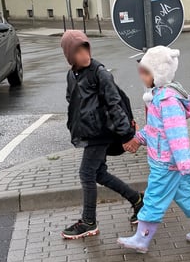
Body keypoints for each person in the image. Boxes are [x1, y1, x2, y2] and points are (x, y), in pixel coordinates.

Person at [117, 47, 190, 253]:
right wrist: (139, 138)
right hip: (170, 161)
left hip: (166, 163)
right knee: (185, 193)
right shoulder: (159, 96)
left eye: (145, 72)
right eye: (141, 71)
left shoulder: (167, 100)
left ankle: (141, 240)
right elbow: (155, 130)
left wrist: (184, 161)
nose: (141, 77)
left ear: (158, 74)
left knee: (153, 198)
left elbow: (177, 134)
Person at [59, 30, 143, 240]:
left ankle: (89, 221)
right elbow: (73, 102)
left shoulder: (99, 72)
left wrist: (127, 135)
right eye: (78, 51)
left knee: (86, 173)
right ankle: (137, 200)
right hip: (89, 132)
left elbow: (114, 104)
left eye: (86, 48)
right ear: (70, 55)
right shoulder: (72, 75)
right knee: (98, 174)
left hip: (102, 133)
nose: (84, 54)